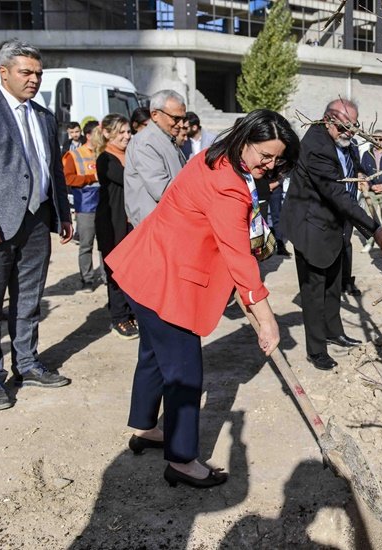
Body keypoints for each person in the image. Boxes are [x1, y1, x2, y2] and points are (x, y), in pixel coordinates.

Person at [106, 109, 299, 488]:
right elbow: (239, 258)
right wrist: (267, 319)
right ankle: (181, 460)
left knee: (153, 354)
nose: (269, 165)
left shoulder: (216, 157)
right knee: (184, 372)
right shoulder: (228, 185)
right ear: (245, 139)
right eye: (265, 155)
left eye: (276, 160)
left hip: (146, 266)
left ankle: (145, 428)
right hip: (168, 279)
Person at [0, 39, 75, 410]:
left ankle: (27, 363)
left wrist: (62, 214)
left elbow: (53, 170)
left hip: (36, 221)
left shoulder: (44, 116)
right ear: (3, 73)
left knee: (29, 300)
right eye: (26, 72)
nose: (34, 79)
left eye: (38, 73)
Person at [281, 99, 382, 372]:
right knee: (314, 291)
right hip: (312, 227)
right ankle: (316, 350)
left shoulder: (345, 140)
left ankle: (334, 331)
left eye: (354, 127)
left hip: (335, 226)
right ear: (328, 121)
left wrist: (365, 174)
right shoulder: (316, 147)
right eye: (344, 127)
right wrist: (374, 228)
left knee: (333, 285)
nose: (349, 133)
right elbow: (337, 195)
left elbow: (353, 166)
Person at [93, 114, 139, 339]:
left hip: (130, 223)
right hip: (112, 224)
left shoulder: (130, 155)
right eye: (121, 132)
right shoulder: (106, 159)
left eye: (128, 131)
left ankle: (132, 311)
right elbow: (128, 179)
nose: (127, 136)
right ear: (107, 133)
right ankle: (119, 317)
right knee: (116, 272)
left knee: (133, 271)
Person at [124, 90, 187, 226]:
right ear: (155, 115)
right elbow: (161, 189)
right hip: (155, 225)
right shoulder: (145, 142)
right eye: (176, 118)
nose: (181, 124)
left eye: (183, 119)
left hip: (170, 221)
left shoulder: (166, 139)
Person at [62, 120, 103, 292]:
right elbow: (68, 178)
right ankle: (87, 279)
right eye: (98, 133)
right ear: (88, 136)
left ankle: (107, 276)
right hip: (86, 205)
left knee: (105, 244)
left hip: (104, 204)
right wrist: (91, 178)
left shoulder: (104, 152)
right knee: (86, 244)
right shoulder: (74, 155)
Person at [359, 130, 382, 253]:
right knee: (369, 218)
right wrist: (371, 186)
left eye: (380, 139)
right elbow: (363, 172)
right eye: (375, 139)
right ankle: (369, 242)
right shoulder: (367, 154)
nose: (377, 141)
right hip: (371, 191)